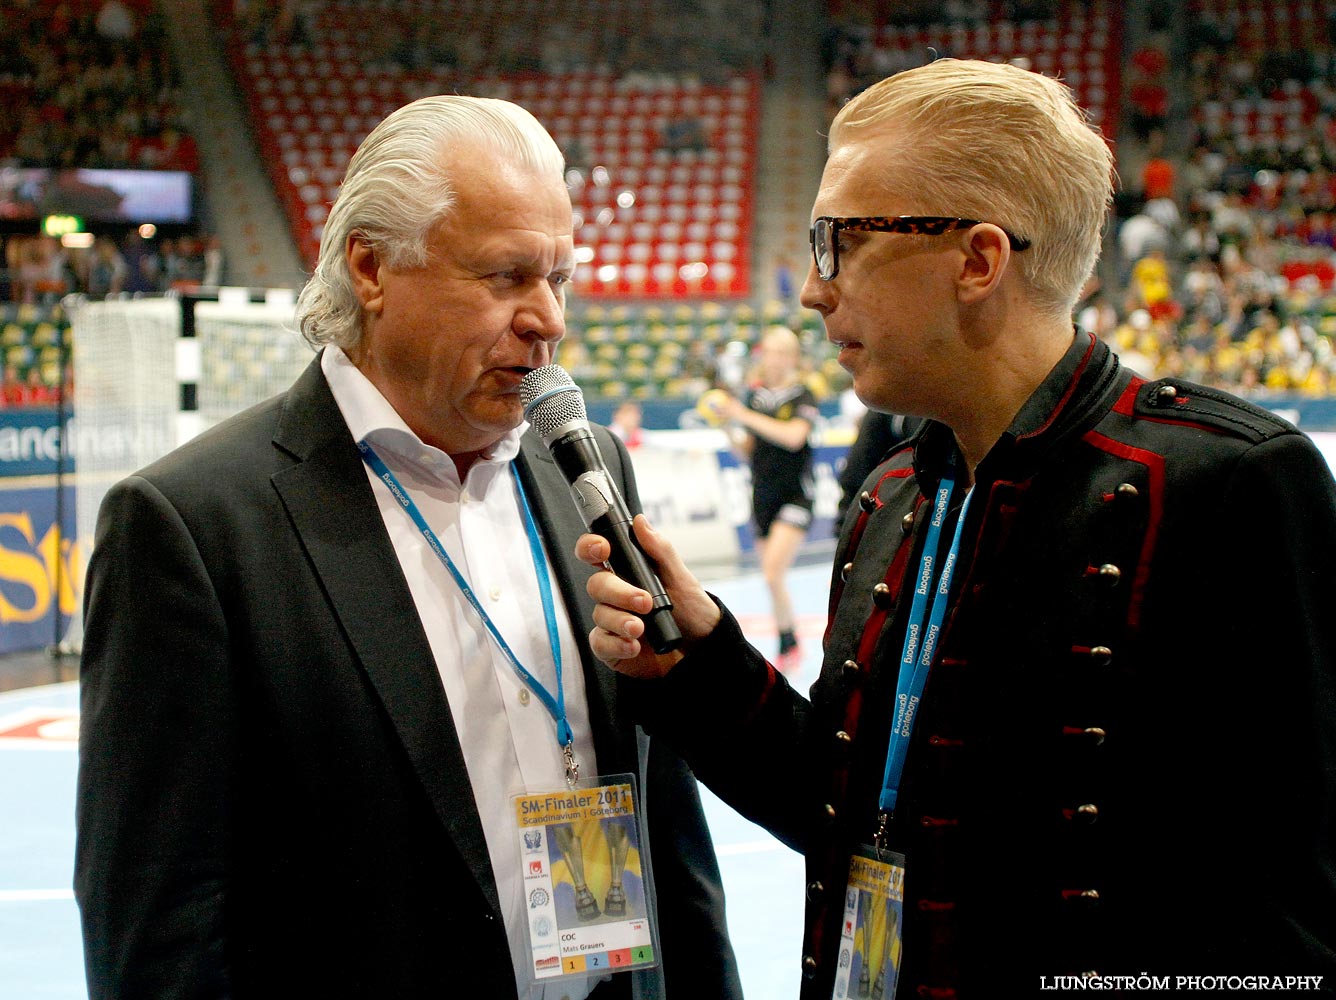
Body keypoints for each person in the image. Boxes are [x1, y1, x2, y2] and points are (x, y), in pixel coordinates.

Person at [576, 59, 1336, 996]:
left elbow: (1294, 915)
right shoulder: (891, 495)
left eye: (840, 242)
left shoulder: (1228, 485)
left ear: (979, 261)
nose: (815, 291)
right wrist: (699, 667)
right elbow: (856, 810)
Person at [75, 95, 742, 1000]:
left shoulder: (584, 468)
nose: (547, 318)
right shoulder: (190, 526)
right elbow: (161, 926)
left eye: (559, 278)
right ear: (372, 266)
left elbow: (668, 828)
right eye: (507, 277)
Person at [708, 325, 819, 672]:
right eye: (769, 352)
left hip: (795, 496)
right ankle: (787, 638)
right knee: (772, 579)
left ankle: (790, 641)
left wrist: (742, 415)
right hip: (763, 496)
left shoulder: (803, 396)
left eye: (781, 352)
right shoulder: (756, 397)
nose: (773, 359)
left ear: (792, 358)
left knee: (772, 572)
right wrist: (727, 426)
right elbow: (748, 451)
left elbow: (793, 438)